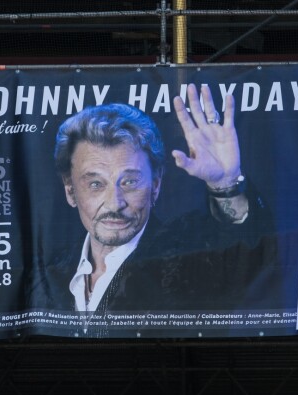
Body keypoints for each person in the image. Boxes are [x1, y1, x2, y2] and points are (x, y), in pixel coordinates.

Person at [28, 83, 280, 335]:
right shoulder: (48, 275)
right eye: (95, 184)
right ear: (70, 190)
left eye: (129, 182)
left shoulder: (189, 258)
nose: (115, 203)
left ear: (156, 185)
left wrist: (225, 183)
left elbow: (248, 258)